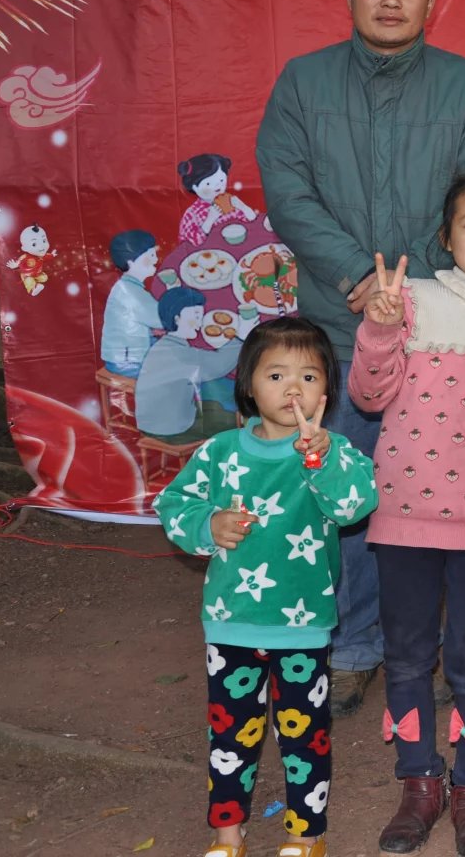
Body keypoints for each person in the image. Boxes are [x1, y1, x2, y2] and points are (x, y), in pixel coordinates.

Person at [256, 0, 465, 718]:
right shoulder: (304, 82)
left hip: (441, 335)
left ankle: (437, 647)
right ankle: (353, 643)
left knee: (438, 489)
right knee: (346, 490)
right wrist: (359, 280)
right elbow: (287, 191)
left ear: (431, 1)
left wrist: (413, 298)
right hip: (338, 327)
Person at [347, 169, 465, 857]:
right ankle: (418, 781)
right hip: (403, 516)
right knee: (405, 657)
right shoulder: (413, 300)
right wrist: (379, 327)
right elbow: (369, 396)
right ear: (445, 238)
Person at [153, 317, 378, 857]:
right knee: (231, 736)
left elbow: (355, 505)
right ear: (249, 385)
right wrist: (209, 524)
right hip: (231, 623)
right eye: (276, 375)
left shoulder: (336, 452)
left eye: (309, 376)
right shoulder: (219, 452)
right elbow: (173, 504)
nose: (293, 388)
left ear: (327, 390)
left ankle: (305, 835)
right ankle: (227, 834)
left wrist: (319, 458)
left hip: (303, 627)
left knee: (305, 738)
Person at [134, 286, 255, 441]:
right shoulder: (179, 353)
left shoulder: (164, 345)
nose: (200, 322)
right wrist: (241, 336)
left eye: (201, 315)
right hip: (171, 430)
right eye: (196, 315)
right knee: (235, 420)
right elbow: (218, 365)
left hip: (155, 421)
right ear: (177, 318)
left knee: (216, 406)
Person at [100, 229, 161, 377]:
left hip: (125, 357)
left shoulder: (127, 287)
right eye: (150, 256)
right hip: (128, 362)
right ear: (131, 262)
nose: (155, 260)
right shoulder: (131, 293)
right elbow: (161, 319)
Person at [177, 153, 258, 247]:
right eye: (208, 184)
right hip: (206, 253)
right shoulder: (192, 213)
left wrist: (242, 206)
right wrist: (210, 219)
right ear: (194, 187)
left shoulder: (229, 201)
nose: (217, 186)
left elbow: (253, 221)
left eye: (221, 180)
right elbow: (193, 243)